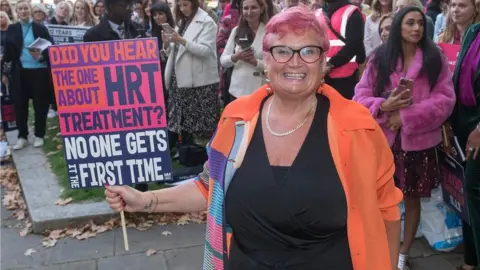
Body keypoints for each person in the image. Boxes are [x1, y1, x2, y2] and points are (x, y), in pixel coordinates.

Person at [105, 6, 403, 270]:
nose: (295, 62)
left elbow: (387, 209)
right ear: (267, 59)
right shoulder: (237, 118)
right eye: (282, 50)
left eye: (309, 51)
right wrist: (144, 200)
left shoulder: (357, 127)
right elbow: (211, 188)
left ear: (324, 62)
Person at [353, 6, 456, 270]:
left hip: (418, 144)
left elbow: (445, 101)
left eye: (420, 23)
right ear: (398, 25)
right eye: (410, 23)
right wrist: (384, 107)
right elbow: (360, 96)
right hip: (383, 143)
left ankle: (402, 254)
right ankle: (379, 248)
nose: (416, 28)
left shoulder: (435, 58)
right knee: (379, 199)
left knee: (411, 201)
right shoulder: (380, 59)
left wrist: (407, 117)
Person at [83, 0, 147, 192]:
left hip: (137, 97)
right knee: (117, 145)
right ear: (109, 9)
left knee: (138, 143)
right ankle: (119, 188)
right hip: (109, 100)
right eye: (123, 6)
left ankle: (141, 187)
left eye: (130, 5)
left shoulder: (137, 30)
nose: (129, 9)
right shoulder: (93, 35)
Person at [162, 0, 220, 144]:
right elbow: (174, 51)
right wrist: (167, 43)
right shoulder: (182, 22)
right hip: (181, 80)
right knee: (184, 122)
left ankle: (202, 156)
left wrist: (181, 40)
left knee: (202, 126)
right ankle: (186, 151)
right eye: (180, 5)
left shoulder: (207, 22)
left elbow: (206, 50)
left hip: (199, 83)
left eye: (185, 5)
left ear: (194, 3)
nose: (182, 9)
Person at [1, 0, 55, 150]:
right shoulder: (12, 28)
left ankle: (39, 135)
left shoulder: (40, 28)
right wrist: (4, 73)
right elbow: (8, 54)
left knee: (40, 104)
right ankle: (22, 136)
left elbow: (51, 47)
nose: (23, 11)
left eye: (26, 8)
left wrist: (42, 57)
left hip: (39, 72)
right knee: (20, 105)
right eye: (20, 9)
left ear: (30, 10)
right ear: (16, 12)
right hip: (20, 72)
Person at [451, 22, 480, 270]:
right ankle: (471, 260)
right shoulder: (473, 31)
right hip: (463, 121)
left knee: (473, 188)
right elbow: (458, 77)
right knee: (467, 192)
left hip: (478, 128)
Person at [316, 0, 366, 100]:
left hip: (345, 76)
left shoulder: (352, 12)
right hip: (321, 74)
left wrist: (330, 64)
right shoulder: (317, 13)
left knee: (342, 111)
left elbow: (353, 45)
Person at [220, 0, 270, 101]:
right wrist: (235, 57)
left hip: (259, 91)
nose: (249, 12)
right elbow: (223, 60)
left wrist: (254, 62)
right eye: (246, 8)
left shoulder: (269, 33)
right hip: (237, 91)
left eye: (253, 7)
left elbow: (273, 66)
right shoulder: (236, 31)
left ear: (261, 9)